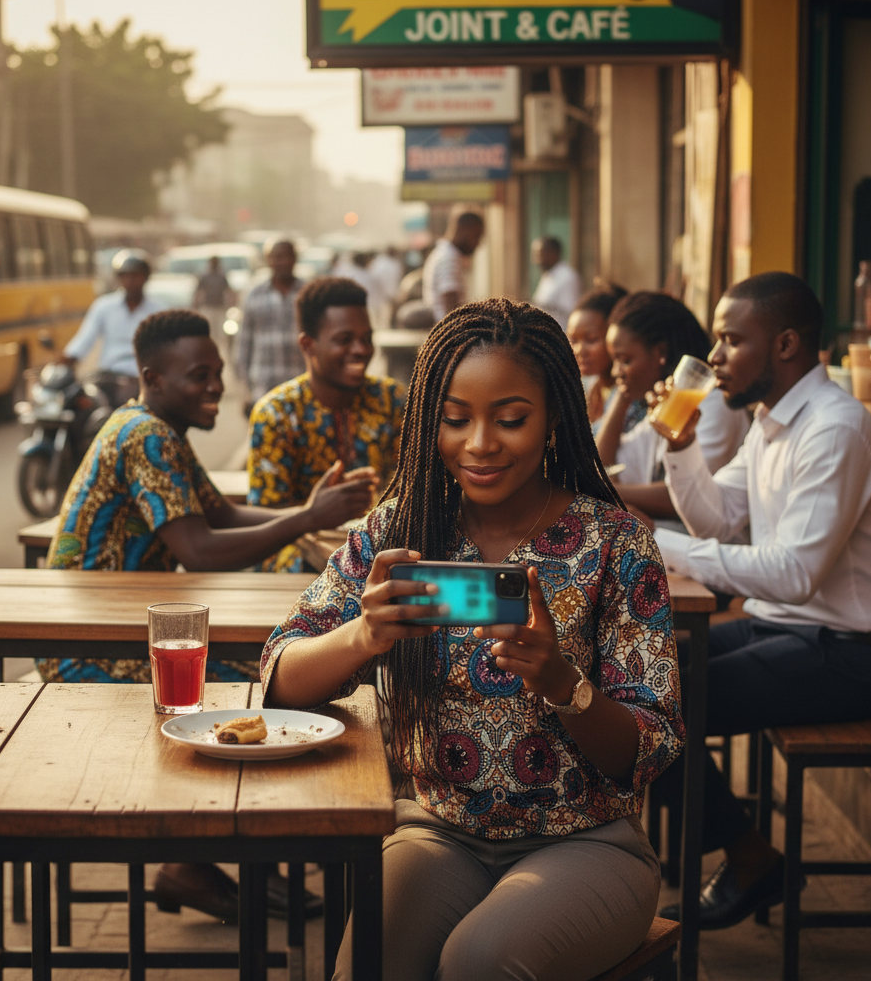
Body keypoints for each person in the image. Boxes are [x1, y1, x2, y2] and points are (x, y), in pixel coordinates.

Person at [260, 297, 685, 980]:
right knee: (367, 966)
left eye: (510, 419)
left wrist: (561, 684)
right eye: (455, 420)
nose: (480, 443)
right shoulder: (401, 529)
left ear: (552, 422)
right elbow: (278, 674)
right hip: (435, 831)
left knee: (479, 961)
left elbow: (650, 747)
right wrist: (363, 635)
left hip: (590, 842)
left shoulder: (617, 542)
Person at [42, 309, 373, 922]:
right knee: (266, 688)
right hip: (88, 651)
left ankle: (253, 851)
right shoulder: (145, 435)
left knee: (276, 677)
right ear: (153, 377)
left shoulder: (156, 427)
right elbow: (198, 546)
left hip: (125, 630)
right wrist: (304, 519)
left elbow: (218, 513)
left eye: (218, 372)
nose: (216, 386)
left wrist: (306, 510)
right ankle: (216, 856)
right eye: (200, 375)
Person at [650, 271, 871, 929]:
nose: (714, 357)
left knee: (657, 709)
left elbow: (795, 573)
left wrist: (656, 544)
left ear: (787, 344)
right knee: (638, 680)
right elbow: (716, 519)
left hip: (849, 656)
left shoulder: (835, 429)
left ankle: (749, 860)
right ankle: (731, 854)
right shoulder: (769, 423)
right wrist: (679, 450)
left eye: (732, 340)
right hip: (784, 629)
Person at [248, 276, 404, 571]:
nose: (360, 350)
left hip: (385, 552)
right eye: (344, 340)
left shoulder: (393, 401)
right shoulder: (277, 413)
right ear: (308, 345)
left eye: (366, 338)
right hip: (300, 558)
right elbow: (265, 514)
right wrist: (317, 512)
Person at [595, 291, 749, 528]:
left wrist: (601, 491)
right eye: (613, 360)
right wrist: (622, 398)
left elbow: (679, 495)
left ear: (661, 353)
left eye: (625, 360)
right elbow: (603, 465)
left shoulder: (714, 406)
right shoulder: (663, 405)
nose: (616, 371)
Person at [61, 251, 164, 407]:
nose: (131, 281)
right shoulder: (104, 306)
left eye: (136, 275)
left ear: (145, 277)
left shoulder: (158, 311)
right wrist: (67, 359)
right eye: (126, 276)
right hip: (108, 376)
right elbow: (85, 338)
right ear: (119, 278)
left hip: (141, 379)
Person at [234, 238, 305, 417]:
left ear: (295, 259)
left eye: (288, 256)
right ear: (269, 260)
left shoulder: (307, 293)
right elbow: (244, 344)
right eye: (277, 257)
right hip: (263, 389)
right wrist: (245, 392)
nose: (283, 262)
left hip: (301, 387)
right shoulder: (254, 295)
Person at [566, 282, 627, 422]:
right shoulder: (587, 387)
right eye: (573, 341)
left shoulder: (629, 396)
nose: (579, 350)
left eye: (591, 340)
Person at [421, 210, 484, 320]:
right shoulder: (448, 258)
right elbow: (452, 309)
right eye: (477, 235)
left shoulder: (446, 253)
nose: (478, 243)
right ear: (463, 229)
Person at [531, 236, 583, 330]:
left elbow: (570, 310)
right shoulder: (547, 275)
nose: (537, 260)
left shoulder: (568, 276)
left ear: (553, 253)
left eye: (540, 255)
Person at [193, 254, 235, 347]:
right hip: (208, 307)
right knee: (209, 332)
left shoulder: (222, 276)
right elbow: (198, 292)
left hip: (220, 308)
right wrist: (196, 306)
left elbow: (229, 291)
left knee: (221, 333)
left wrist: (231, 305)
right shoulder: (204, 276)